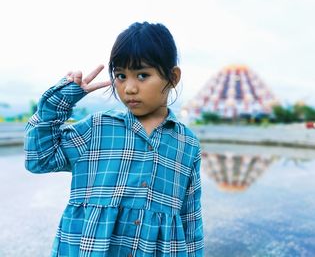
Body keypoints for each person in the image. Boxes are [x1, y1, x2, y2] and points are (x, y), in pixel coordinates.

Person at [24, 22, 204, 257]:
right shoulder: (98, 128)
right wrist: (60, 100)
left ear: (172, 77)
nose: (129, 88)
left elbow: (190, 218)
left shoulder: (187, 144)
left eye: (142, 75)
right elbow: (38, 158)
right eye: (120, 75)